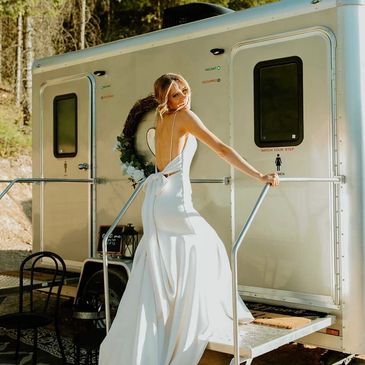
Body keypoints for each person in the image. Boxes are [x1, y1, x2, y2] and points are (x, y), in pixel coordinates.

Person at [99, 73, 279, 365]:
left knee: (172, 261)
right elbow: (221, 148)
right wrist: (259, 175)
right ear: (164, 99)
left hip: (158, 200)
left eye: (184, 90)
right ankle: (193, 322)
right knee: (207, 249)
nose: (183, 97)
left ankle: (171, 323)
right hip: (175, 201)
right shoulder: (185, 118)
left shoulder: (162, 120)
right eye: (175, 94)